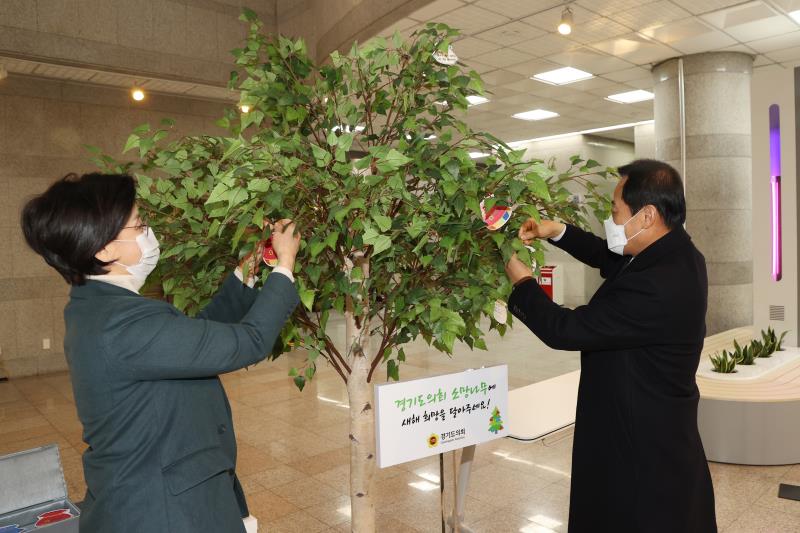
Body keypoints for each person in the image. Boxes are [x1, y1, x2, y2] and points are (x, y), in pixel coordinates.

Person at [21, 172, 301, 533]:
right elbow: (248, 342)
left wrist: (249, 267)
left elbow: (191, 341)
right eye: (139, 225)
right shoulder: (121, 324)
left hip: (153, 497)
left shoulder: (100, 308)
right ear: (104, 249)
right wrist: (285, 265)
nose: (149, 232)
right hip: (162, 512)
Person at [504, 159, 716, 533]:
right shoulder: (676, 253)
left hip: (638, 445)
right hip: (657, 426)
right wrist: (557, 232)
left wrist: (523, 283)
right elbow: (610, 256)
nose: (612, 219)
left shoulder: (658, 285)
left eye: (615, 210)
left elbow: (565, 330)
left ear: (647, 215)